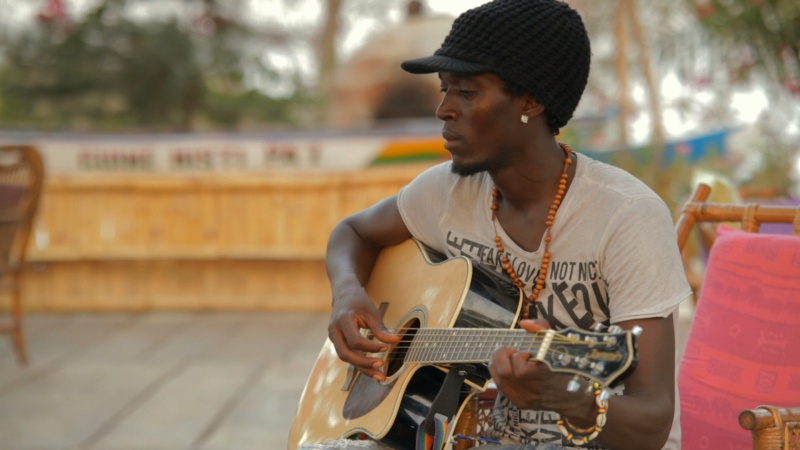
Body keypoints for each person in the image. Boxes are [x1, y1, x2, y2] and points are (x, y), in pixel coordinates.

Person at [318, 0, 692, 449]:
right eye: (444, 89)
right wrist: (347, 293)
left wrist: (564, 396)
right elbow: (352, 232)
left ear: (530, 101)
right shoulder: (449, 192)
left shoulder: (626, 216)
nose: (443, 109)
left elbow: (652, 423)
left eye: (467, 92)